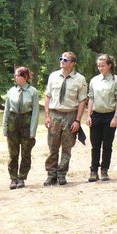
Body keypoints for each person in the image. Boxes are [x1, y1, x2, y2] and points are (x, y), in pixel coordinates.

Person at [43, 51, 88, 186]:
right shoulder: (53, 76)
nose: (62, 61)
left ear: (73, 63)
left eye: (65, 60)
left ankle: (62, 174)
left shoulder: (80, 79)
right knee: (52, 146)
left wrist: (77, 120)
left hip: (70, 115)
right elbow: (47, 96)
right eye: (61, 58)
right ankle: (51, 175)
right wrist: (47, 116)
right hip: (55, 114)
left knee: (67, 147)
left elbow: (82, 101)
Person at [87, 54, 117, 182]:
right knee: (95, 145)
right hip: (96, 115)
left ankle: (104, 170)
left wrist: (116, 117)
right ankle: (93, 171)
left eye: (103, 65)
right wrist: (89, 115)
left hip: (109, 115)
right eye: (98, 66)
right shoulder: (94, 80)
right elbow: (91, 98)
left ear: (109, 65)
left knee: (107, 145)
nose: (100, 68)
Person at [2, 67, 39, 190]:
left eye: (18, 75)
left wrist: (32, 131)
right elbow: (6, 110)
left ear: (25, 77)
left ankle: (22, 177)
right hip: (13, 122)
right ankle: (13, 178)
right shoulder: (11, 91)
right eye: (15, 75)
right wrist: (5, 127)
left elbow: (35, 112)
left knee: (26, 152)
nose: (16, 78)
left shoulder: (33, 92)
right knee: (13, 153)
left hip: (26, 122)